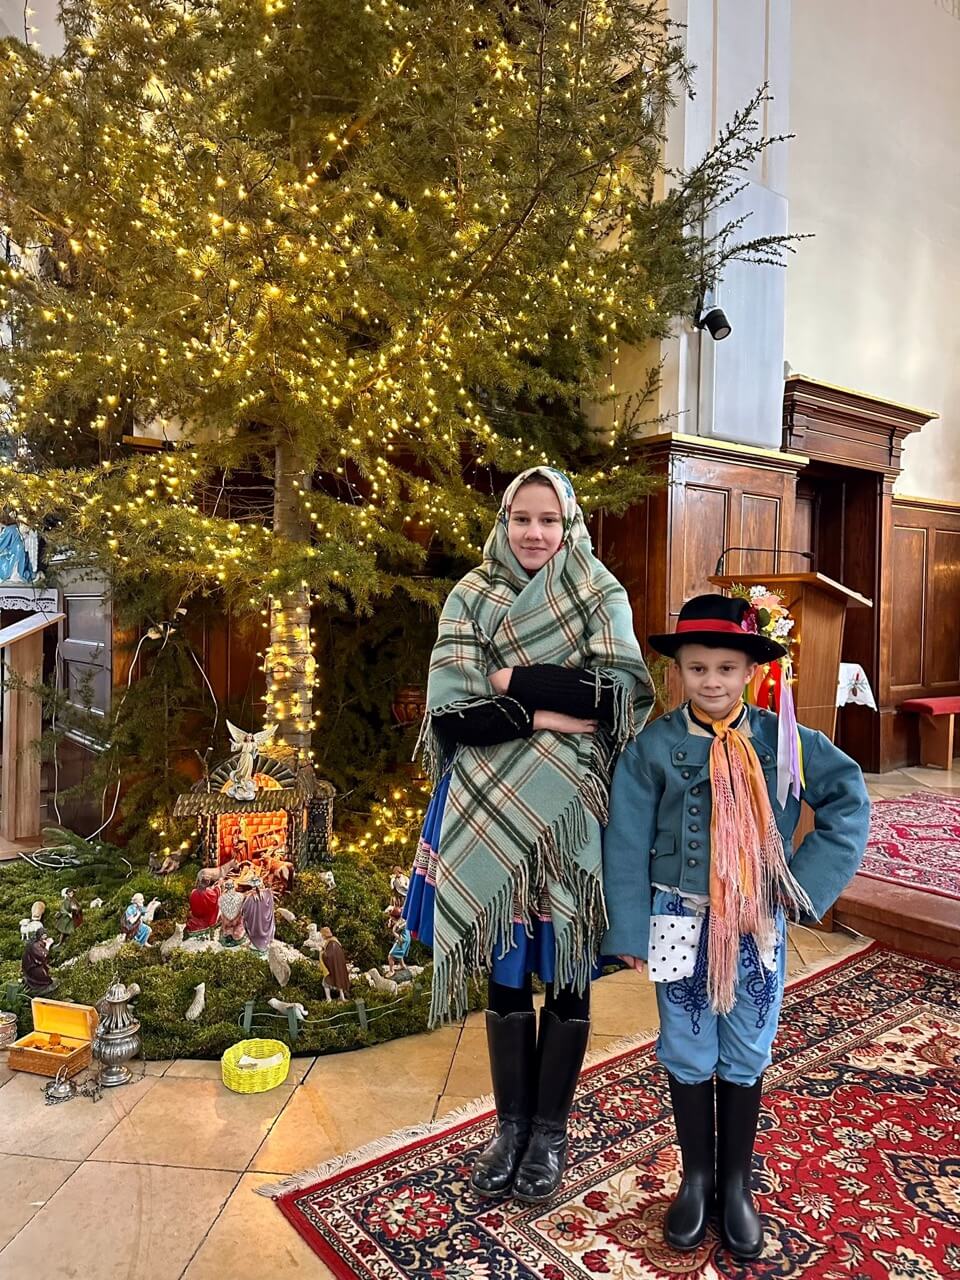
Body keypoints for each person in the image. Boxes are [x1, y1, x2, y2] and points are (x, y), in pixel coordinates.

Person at [404, 466, 653, 1203]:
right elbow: (452, 715)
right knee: (506, 970)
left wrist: (508, 680)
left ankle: (550, 1132)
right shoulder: (471, 594)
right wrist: (543, 709)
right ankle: (509, 1128)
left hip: (572, 814)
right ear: (504, 520)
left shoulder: (600, 591)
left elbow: (616, 696)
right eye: (522, 519)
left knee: (567, 970)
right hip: (484, 808)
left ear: (570, 524)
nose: (535, 533)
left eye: (549, 520)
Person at [602, 593, 870, 1260]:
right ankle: (696, 1179)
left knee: (748, 1041)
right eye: (697, 668)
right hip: (676, 916)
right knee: (687, 1040)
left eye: (726, 668)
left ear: (750, 670)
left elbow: (848, 801)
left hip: (753, 918)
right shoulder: (652, 747)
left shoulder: (785, 741)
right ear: (678, 672)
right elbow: (626, 839)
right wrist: (629, 929)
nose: (712, 682)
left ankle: (735, 1184)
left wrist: (803, 884)